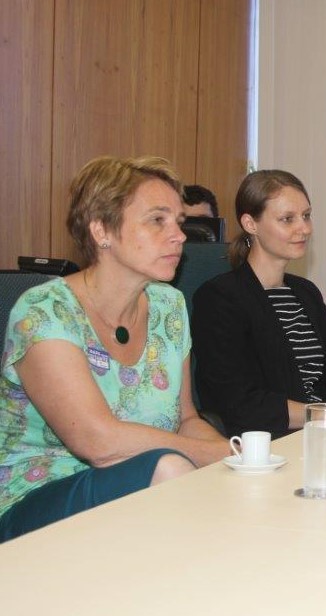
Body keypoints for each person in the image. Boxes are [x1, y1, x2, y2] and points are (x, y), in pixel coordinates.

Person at [0, 156, 229, 542]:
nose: (179, 235)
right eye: (157, 220)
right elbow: (99, 443)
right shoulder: (44, 311)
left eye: (178, 221)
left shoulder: (169, 306)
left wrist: (238, 457)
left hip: (144, 490)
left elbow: (186, 419)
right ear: (102, 229)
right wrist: (211, 456)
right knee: (170, 469)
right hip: (31, 507)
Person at [191, 170, 326, 439]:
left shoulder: (305, 292)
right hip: (273, 441)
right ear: (250, 224)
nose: (304, 228)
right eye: (288, 219)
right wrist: (323, 414)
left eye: (306, 216)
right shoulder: (220, 297)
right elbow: (237, 400)